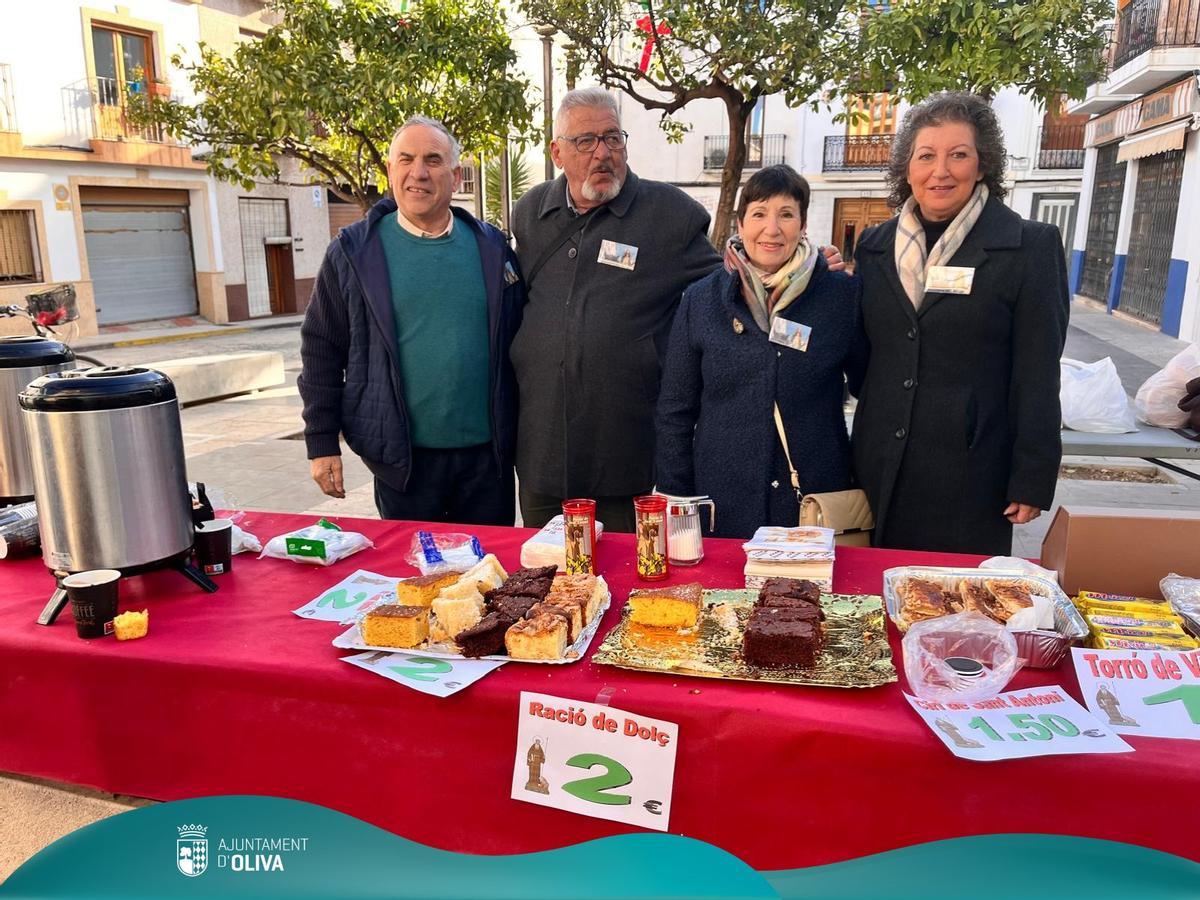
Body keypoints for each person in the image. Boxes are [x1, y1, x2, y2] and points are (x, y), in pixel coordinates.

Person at [851, 92, 1069, 555]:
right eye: (926, 156)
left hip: (971, 472)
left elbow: (1038, 371)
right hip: (879, 462)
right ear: (906, 168)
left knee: (956, 613)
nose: (940, 171)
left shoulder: (1029, 247)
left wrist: (1032, 474)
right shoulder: (873, 247)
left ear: (982, 163)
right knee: (869, 605)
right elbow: (864, 356)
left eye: (958, 155)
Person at [509, 87, 722, 533]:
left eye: (613, 138)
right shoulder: (531, 213)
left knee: (626, 579)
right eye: (586, 141)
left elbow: (729, 288)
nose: (602, 153)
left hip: (626, 458)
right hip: (543, 455)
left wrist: (804, 269)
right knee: (547, 585)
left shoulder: (670, 215)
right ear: (558, 153)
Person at [298, 116, 524, 524]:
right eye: (406, 159)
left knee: (491, 579)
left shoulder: (492, 248)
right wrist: (321, 441)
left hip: (487, 463)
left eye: (433, 161)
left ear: (455, 177)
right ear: (390, 170)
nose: (418, 173)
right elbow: (320, 350)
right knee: (417, 581)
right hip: (403, 465)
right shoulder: (353, 253)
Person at [655, 165, 866, 539]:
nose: (772, 229)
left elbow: (872, 390)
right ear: (740, 222)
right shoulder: (701, 301)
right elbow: (675, 410)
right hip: (722, 503)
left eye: (786, 214)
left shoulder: (840, 296)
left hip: (812, 505)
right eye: (759, 213)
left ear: (802, 226)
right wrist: (678, 501)